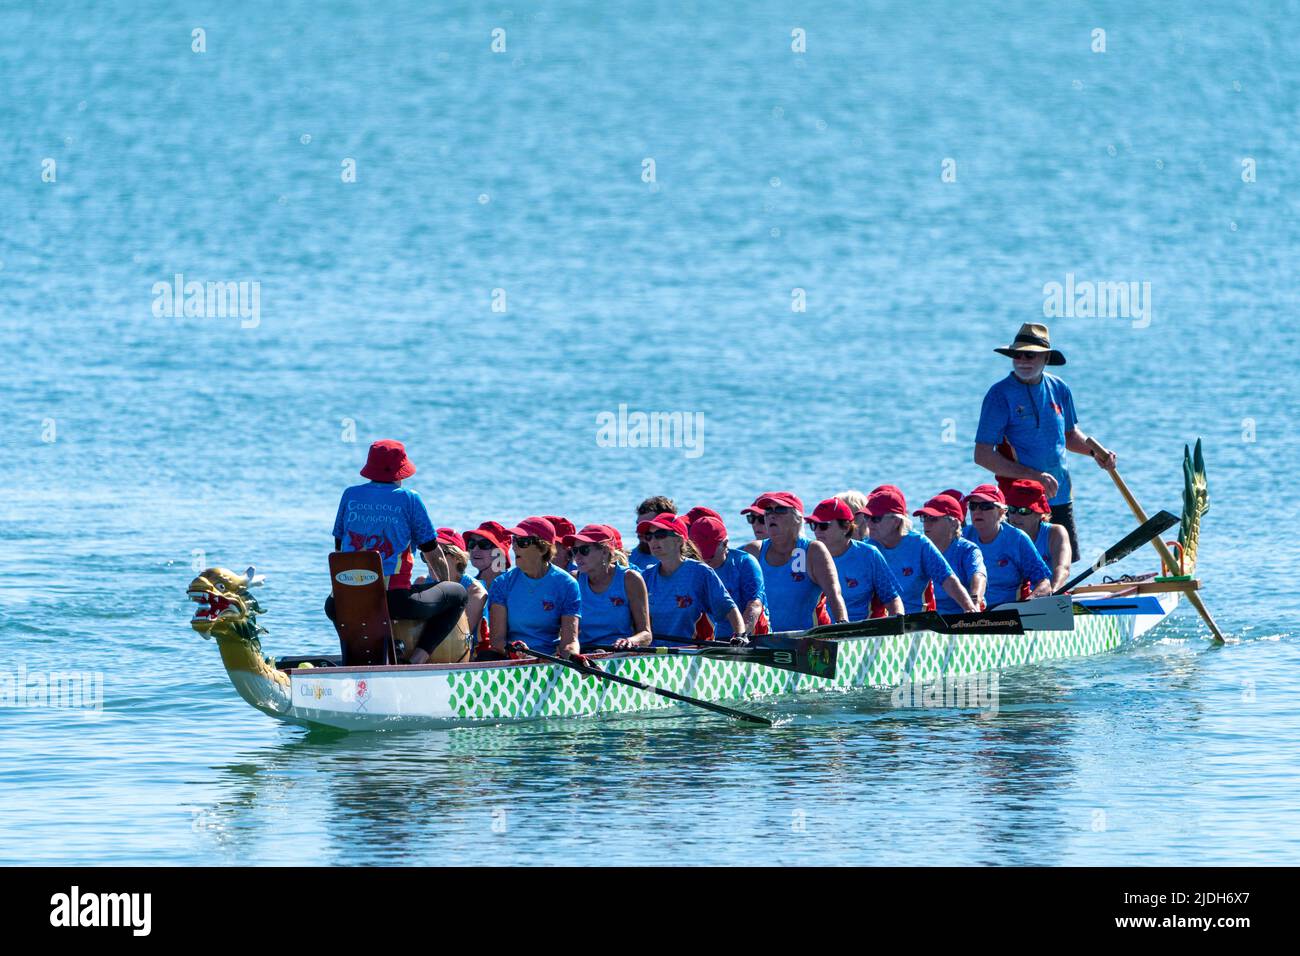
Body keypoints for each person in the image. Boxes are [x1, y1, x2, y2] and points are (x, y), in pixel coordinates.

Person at [974, 322, 1118, 562]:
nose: (1022, 360)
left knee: (1064, 563)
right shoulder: (999, 395)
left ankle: (1064, 598)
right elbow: (982, 455)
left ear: (1046, 357)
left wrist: (1096, 453)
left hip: (1060, 494)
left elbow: (1070, 436)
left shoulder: (1059, 388)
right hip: (1020, 501)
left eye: (1030, 354)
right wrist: (1034, 476)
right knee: (1023, 566)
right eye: (1017, 355)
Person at [326, 440, 467, 665]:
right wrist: (444, 586)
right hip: (394, 600)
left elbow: (339, 548)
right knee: (457, 594)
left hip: (342, 602)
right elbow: (433, 554)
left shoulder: (350, 495)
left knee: (341, 604)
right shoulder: (409, 499)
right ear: (400, 472)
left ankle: (357, 657)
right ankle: (417, 660)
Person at [859, 487, 976, 614]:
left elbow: (948, 580)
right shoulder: (867, 549)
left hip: (920, 622)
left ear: (896, 521)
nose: (869, 524)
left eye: (876, 519)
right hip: (885, 623)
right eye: (867, 517)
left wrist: (970, 609)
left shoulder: (919, 545)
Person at [637, 513, 744, 641]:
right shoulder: (646, 577)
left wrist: (740, 636)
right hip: (652, 654)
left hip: (690, 653)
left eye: (660, 535)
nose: (653, 541)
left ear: (679, 540)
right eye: (649, 536)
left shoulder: (700, 572)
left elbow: (729, 609)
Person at [487, 516, 581, 658]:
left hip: (549, 660)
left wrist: (574, 657)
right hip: (512, 657)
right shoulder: (501, 583)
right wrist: (515, 651)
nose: (514, 546)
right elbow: (497, 640)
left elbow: (570, 641)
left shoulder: (567, 584)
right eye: (514, 540)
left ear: (543, 549)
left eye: (522, 542)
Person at [755, 492, 847, 631]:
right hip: (766, 641)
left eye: (780, 510)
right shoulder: (755, 550)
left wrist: (843, 625)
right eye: (768, 511)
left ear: (798, 518)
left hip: (811, 641)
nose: (772, 515)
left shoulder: (813, 550)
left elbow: (834, 593)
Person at [806, 497, 902, 620]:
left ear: (846, 527)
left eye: (824, 526)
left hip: (865, 632)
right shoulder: (807, 555)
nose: (817, 531)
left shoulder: (869, 555)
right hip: (823, 631)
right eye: (814, 525)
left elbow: (892, 598)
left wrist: (898, 623)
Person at [962, 484, 1052, 608]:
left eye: (985, 506)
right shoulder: (963, 537)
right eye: (973, 506)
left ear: (1002, 512)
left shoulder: (1017, 539)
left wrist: (1027, 606)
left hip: (1009, 613)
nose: (977, 511)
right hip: (971, 611)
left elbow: (1044, 583)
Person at [565, 524, 652, 650]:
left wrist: (630, 641)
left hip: (620, 653)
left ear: (605, 552)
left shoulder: (630, 579)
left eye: (584, 550)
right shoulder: (573, 580)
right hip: (584, 653)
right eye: (574, 551)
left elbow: (646, 634)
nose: (577, 557)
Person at [688, 515, 766, 638]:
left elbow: (754, 605)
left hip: (751, 637)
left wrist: (740, 636)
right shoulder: (691, 567)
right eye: (699, 554)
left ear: (725, 544)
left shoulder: (745, 563)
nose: (704, 559)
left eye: (710, 555)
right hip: (715, 639)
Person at [915, 494, 986, 613]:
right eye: (924, 517)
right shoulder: (919, 550)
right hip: (929, 619)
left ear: (953, 524)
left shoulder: (968, 550)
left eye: (933, 518)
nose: (926, 523)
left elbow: (979, 576)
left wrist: (975, 603)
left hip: (962, 617)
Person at [416, 528, 489, 640]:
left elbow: (459, 634)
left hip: (459, 653)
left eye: (437, 554)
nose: (430, 560)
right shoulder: (420, 582)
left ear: (457, 558)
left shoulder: (475, 592)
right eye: (425, 554)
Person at [1001, 478, 1071, 593]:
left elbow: (1063, 568)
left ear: (1040, 513)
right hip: (1012, 598)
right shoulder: (1001, 533)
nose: (1015, 516)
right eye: (1012, 509)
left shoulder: (1055, 533)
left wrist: (1054, 591)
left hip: (1048, 594)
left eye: (1024, 511)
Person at [628, 496, 675, 572]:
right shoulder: (629, 559)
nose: (639, 531)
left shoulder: (686, 561)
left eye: (647, 525)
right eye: (638, 525)